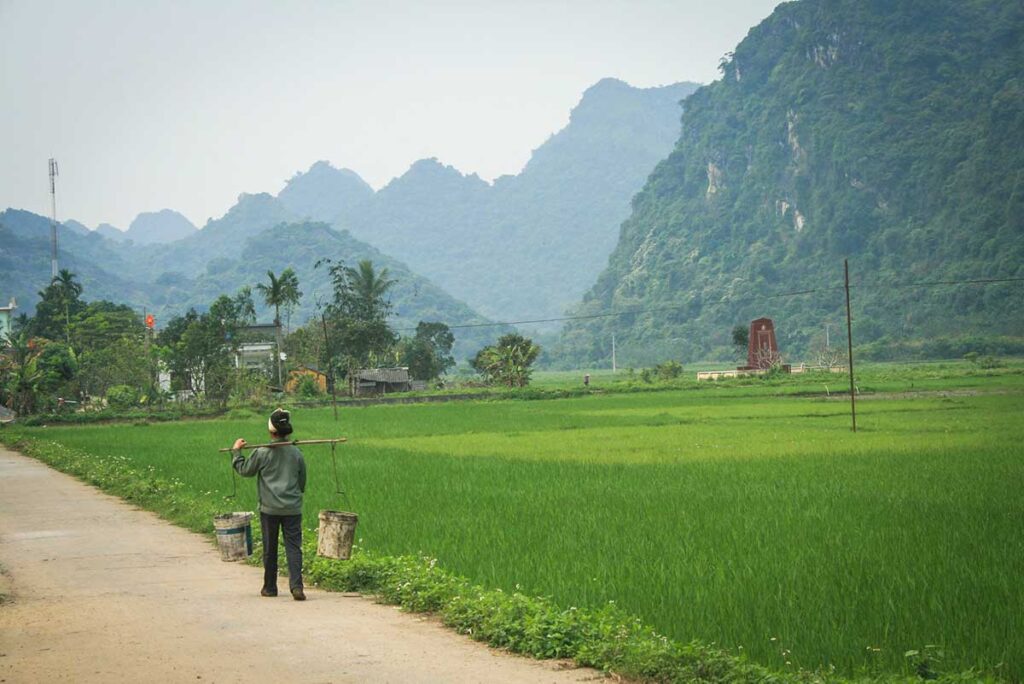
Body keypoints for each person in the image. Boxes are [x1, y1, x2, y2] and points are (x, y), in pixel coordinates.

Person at [231, 408, 307, 601]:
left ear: (271, 432)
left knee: (270, 547)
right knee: (293, 547)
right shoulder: (297, 453)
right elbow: (302, 482)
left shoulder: (262, 452)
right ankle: (297, 586)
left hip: (269, 509)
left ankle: (270, 587)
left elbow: (245, 470)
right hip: (292, 508)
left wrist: (236, 452)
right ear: (288, 431)